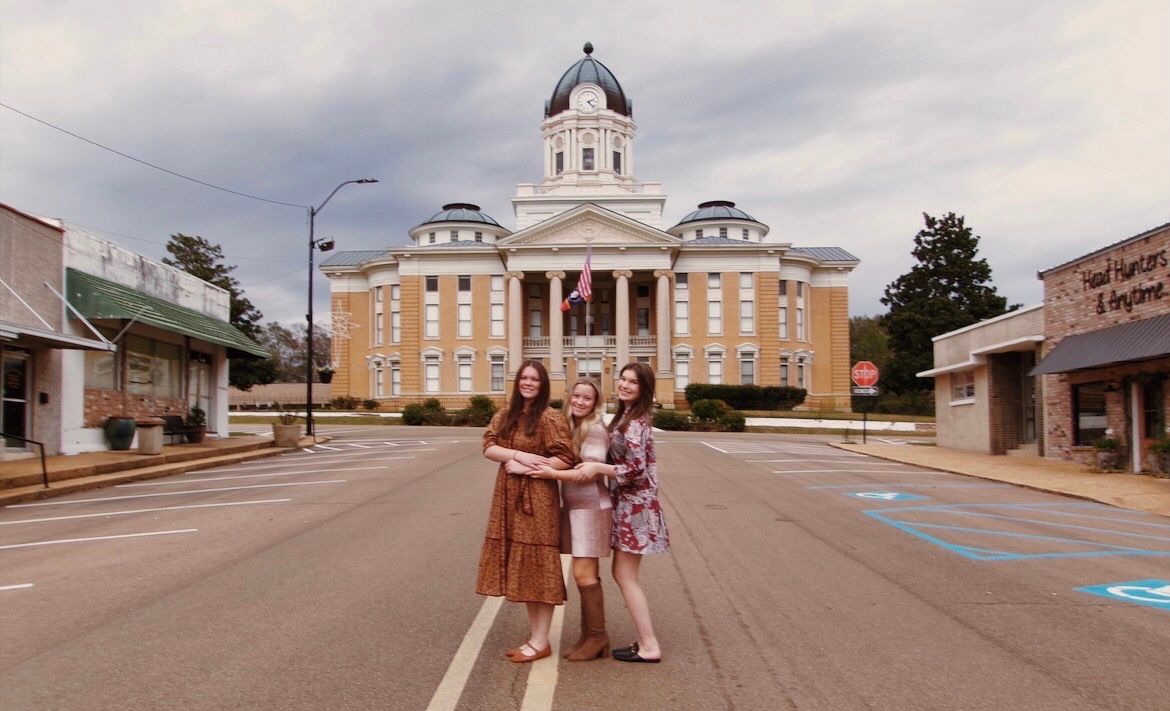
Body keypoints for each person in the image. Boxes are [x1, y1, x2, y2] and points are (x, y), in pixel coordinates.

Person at [477, 360, 575, 663]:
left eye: (534, 379)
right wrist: (516, 454)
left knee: (537, 568)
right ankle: (535, 637)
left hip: (538, 498)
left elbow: (566, 457)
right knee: (525, 572)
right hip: (507, 499)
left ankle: (540, 640)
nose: (528, 383)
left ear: (543, 385)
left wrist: (532, 466)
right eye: (524, 378)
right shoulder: (506, 415)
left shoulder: (550, 418)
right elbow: (488, 446)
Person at [572, 362, 668, 663]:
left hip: (637, 506)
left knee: (626, 575)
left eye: (633, 382)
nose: (625, 385)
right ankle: (644, 641)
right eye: (623, 379)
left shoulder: (637, 423)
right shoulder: (625, 416)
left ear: (644, 389)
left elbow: (636, 471)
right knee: (623, 574)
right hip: (628, 504)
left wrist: (599, 467)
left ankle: (650, 645)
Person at [531, 378, 612, 661]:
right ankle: (590, 635)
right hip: (576, 508)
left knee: (583, 574)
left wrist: (551, 475)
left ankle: (598, 636)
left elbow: (588, 473)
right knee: (586, 575)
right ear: (569, 397)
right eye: (576, 396)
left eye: (587, 398)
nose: (580, 402)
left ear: (595, 403)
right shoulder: (571, 426)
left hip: (591, 507)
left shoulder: (596, 430)